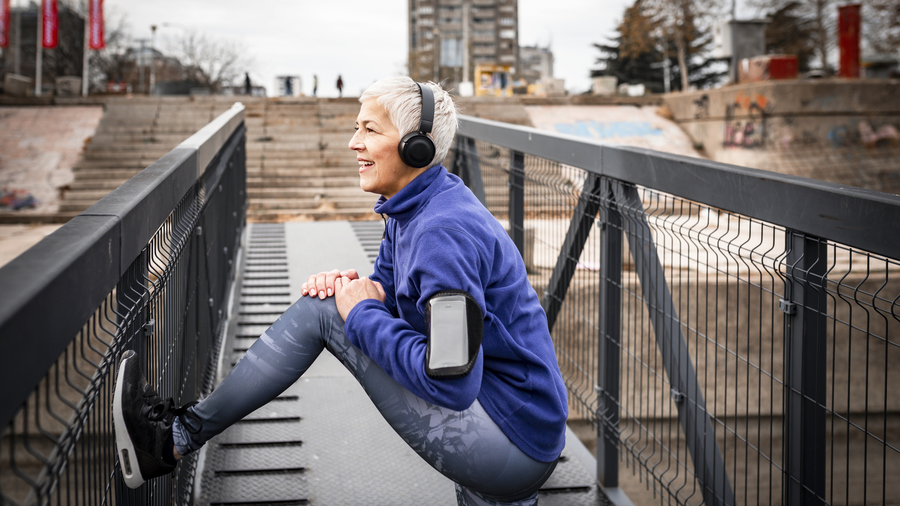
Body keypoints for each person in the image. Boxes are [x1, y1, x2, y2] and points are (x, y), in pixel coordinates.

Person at [113, 76, 568, 505]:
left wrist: (355, 312)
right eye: (356, 128)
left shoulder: (441, 231)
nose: (354, 143)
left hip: (512, 440)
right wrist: (354, 288)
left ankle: (174, 439)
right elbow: (388, 293)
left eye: (369, 130)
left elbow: (451, 382)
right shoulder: (412, 207)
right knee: (336, 301)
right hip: (515, 423)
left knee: (324, 312)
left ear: (416, 147)